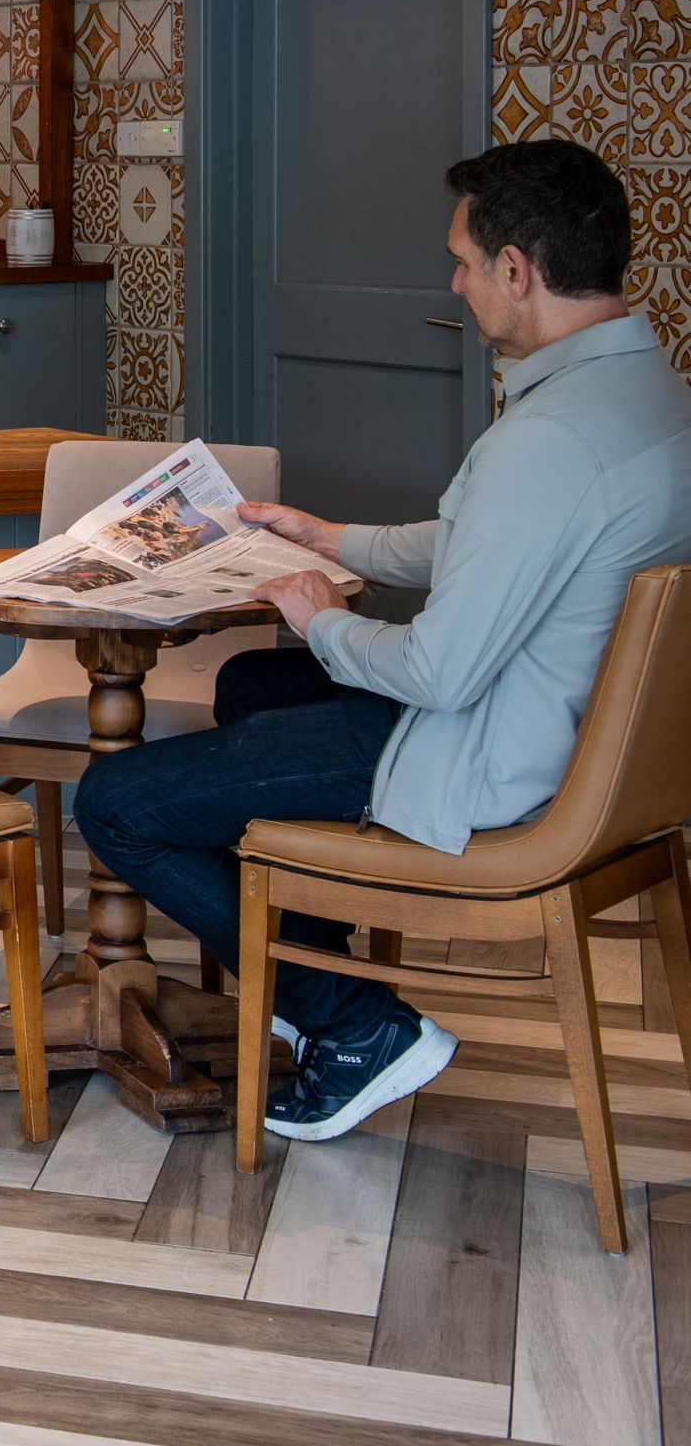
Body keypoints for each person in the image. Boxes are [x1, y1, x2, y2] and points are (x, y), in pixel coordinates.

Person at [75, 140, 691, 1142]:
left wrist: (325, 618)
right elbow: (489, 545)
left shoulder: (546, 439)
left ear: (517, 271)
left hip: (479, 756)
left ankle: (354, 1023)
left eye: (462, 259)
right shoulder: (650, 398)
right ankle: (315, 970)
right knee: (250, 689)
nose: (453, 280)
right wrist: (330, 539)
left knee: (116, 802)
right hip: (573, 747)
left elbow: (440, 671)